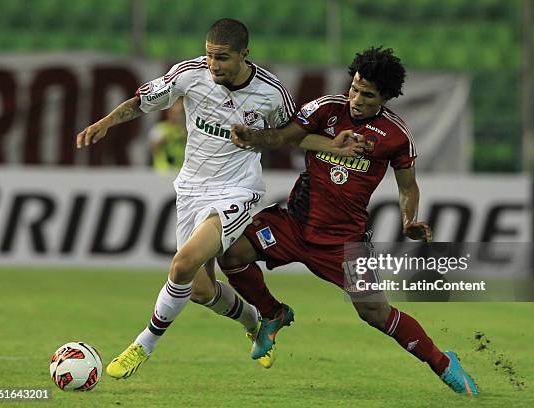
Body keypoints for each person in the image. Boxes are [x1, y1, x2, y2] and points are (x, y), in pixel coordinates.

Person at [76, 18, 363, 378]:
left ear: (245, 54)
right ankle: (256, 321)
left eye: (223, 58)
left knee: (182, 264)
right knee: (198, 289)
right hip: (191, 190)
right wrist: (105, 122)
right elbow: (140, 101)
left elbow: (293, 136)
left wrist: (331, 144)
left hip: (237, 190)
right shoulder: (190, 75)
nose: (214, 65)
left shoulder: (271, 92)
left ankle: (142, 345)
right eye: (210, 55)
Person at [219, 47, 479, 396]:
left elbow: (407, 186)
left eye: (367, 94)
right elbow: (286, 138)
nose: (356, 98)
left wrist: (409, 219)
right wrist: (262, 138)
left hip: (344, 243)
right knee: (230, 253)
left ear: (385, 97)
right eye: (354, 88)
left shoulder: (395, 135)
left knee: (375, 312)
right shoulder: (326, 109)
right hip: (294, 223)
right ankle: (272, 312)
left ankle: (444, 364)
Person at [148, 98, 188, 173]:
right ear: (169, 113)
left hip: (180, 172)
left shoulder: (185, 130)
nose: (176, 117)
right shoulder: (159, 128)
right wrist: (166, 137)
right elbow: (153, 147)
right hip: (162, 172)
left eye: (179, 114)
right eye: (174, 113)